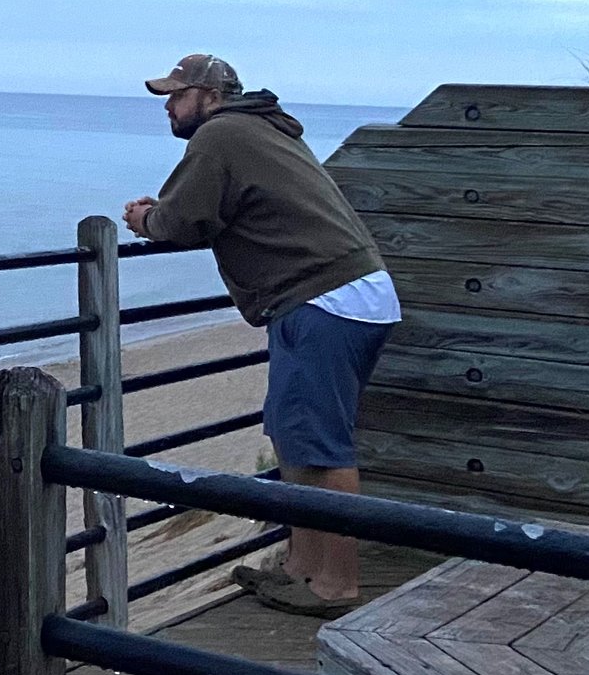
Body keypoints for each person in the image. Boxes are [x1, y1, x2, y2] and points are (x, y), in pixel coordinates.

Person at [121, 53, 399, 618]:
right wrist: (171, 212)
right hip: (341, 294)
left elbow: (181, 222)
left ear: (210, 96)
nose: (169, 107)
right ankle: (301, 568)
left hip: (323, 298)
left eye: (176, 95)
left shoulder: (221, 134)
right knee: (295, 434)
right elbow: (215, 210)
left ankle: (337, 586)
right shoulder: (260, 130)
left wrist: (144, 219)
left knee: (322, 444)